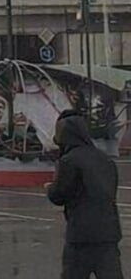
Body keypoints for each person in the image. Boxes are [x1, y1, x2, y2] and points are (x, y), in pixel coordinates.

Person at [47, 110, 122, 279]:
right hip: (108, 233)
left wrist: (50, 187)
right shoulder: (105, 159)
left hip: (81, 236)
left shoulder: (69, 160)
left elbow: (58, 195)